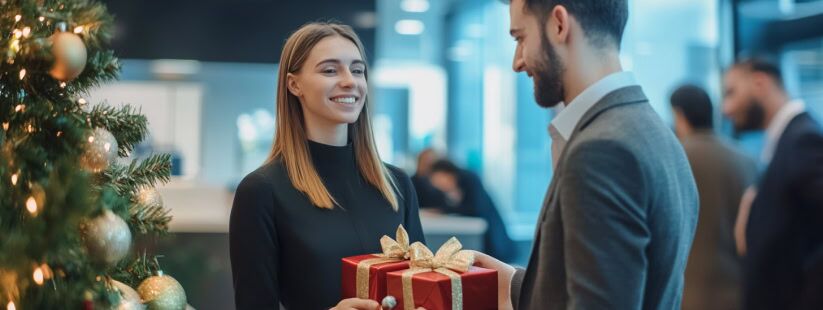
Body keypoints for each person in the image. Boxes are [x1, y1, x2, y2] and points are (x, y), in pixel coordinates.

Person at [473, 0, 699, 309]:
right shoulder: (651, 130)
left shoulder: (601, 151)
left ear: (559, 24)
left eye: (520, 38)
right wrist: (513, 283)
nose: (518, 61)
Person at [229, 22, 425, 310]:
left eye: (357, 70)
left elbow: (419, 292)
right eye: (330, 70)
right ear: (294, 84)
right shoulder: (261, 191)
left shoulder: (397, 185)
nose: (350, 81)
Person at [722, 59, 823, 310]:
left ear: (760, 83)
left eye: (731, 92)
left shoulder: (803, 139)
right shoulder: (785, 139)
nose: (726, 108)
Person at [670, 84, 757, 310]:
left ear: (679, 115)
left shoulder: (673, 159)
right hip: (739, 292)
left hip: (688, 295)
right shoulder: (746, 160)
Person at [427, 159, 517, 262]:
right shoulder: (447, 189)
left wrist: (443, 211)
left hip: (489, 226)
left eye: (440, 181)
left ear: (448, 174)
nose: (441, 186)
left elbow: (475, 208)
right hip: (475, 230)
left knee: (495, 258)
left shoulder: (469, 178)